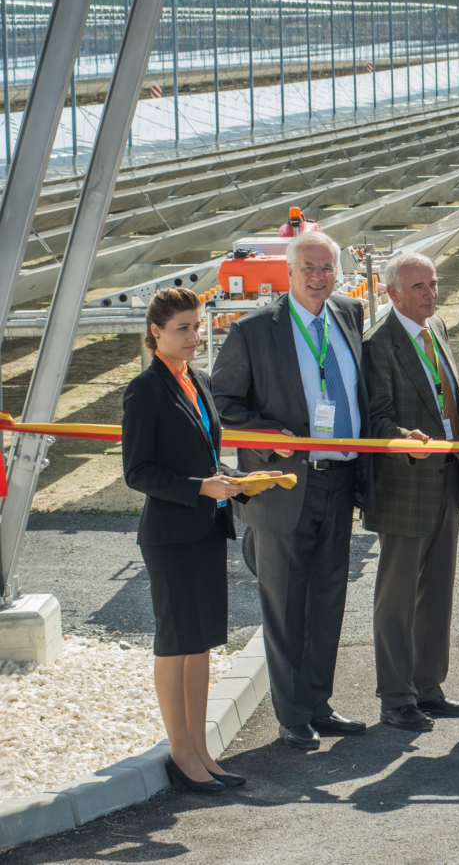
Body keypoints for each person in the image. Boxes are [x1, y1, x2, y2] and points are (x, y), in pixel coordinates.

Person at [212, 230, 374, 751]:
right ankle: (291, 713)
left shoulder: (349, 315)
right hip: (283, 485)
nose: (318, 276)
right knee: (284, 604)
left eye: (327, 267)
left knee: (328, 598)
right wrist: (266, 437)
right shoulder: (255, 330)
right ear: (288, 270)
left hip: (340, 479)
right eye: (308, 266)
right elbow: (222, 404)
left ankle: (318, 703)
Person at [124, 287, 274, 791]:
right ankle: (181, 755)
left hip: (206, 528)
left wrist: (239, 481)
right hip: (170, 535)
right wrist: (199, 488)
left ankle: (201, 751)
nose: (194, 336)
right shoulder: (145, 390)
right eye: (183, 328)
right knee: (175, 644)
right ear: (156, 333)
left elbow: (205, 460)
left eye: (197, 326)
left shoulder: (199, 381)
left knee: (201, 644)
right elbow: (138, 472)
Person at [363, 251, 459, 733]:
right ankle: (396, 696)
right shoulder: (379, 344)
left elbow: (451, 405)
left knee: (437, 592)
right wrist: (402, 441)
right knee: (398, 596)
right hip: (404, 485)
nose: (431, 294)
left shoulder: (438, 331)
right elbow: (377, 419)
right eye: (419, 288)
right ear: (391, 294)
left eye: (433, 284)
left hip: (446, 481)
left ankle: (428, 687)